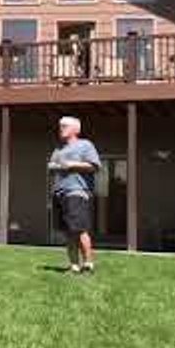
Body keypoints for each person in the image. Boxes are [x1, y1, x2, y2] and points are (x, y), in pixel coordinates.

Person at [48, 116, 101, 274]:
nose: (61, 128)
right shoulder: (58, 150)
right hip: (60, 193)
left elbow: (94, 166)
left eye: (64, 126)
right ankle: (74, 266)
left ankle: (88, 264)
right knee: (68, 231)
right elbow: (52, 166)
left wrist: (71, 164)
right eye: (60, 126)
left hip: (76, 191)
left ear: (75, 129)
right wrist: (52, 167)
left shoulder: (85, 145)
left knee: (79, 229)